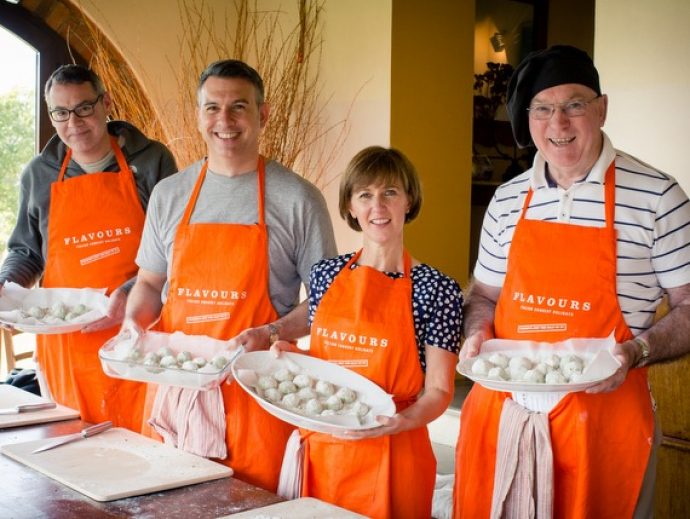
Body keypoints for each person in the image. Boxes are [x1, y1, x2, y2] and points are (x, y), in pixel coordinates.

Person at [454, 45, 690, 519]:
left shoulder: (658, 196)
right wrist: (477, 333)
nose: (558, 124)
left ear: (601, 108)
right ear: (529, 118)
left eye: (574, 105)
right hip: (503, 416)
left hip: (607, 425)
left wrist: (636, 352)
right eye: (542, 109)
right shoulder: (506, 200)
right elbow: (483, 295)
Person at [120, 59, 337, 492]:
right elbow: (148, 283)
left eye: (239, 107)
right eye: (212, 108)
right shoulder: (169, 195)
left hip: (255, 393)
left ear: (264, 113)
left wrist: (272, 330)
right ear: (198, 114)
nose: (225, 120)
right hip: (176, 386)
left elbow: (326, 301)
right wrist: (132, 324)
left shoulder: (298, 199)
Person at [260, 146, 462, 519]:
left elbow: (439, 389)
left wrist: (404, 421)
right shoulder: (324, 276)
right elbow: (328, 364)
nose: (378, 207)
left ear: (409, 200)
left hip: (395, 451)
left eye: (390, 193)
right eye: (365, 195)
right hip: (325, 448)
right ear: (351, 207)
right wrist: (291, 356)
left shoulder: (437, 289)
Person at [0, 64, 177, 431]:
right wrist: (5, 284)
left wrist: (130, 293)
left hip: (137, 332)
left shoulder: (152, 160)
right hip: (67, 345)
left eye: (84, 107)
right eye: (60, 113)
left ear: (105, 103)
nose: (73, 122)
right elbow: (28, 252)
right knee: (72, 445)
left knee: (142, 447)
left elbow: (176, 250)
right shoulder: (39, 173)